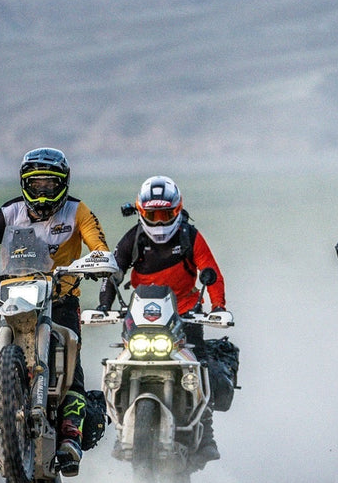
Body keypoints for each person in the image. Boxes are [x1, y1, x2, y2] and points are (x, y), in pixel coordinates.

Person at [0, 147, 110, 477]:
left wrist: (100, 260)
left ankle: (71, 434)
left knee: (70, 354)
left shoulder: (78, 211)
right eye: (36, 185)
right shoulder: (10, 211)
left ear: (63, 183)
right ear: (24, 184)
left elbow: (99, 245)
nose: (43, 191)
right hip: (11, 296)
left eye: (50, 184)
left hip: (59, 297)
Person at [95, 175, 236, 464]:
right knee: (118, 367)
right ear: (141, 212)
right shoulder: (133, 238)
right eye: (152, 215)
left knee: (201, 366)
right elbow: (114, 271)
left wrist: (217, 307)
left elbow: (211, 272)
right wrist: (103, 305)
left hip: (184, 314)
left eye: (165, 215)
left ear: (177, 211)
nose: (159, 223)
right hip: (139, 315)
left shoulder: (190, 236)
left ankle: (206, 431)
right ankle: (120, 426)